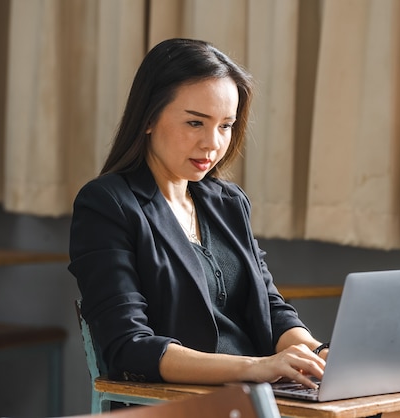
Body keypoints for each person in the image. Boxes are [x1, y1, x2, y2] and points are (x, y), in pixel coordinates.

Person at [68, 38, 327, 389]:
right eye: (195, 123)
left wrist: (317, 352)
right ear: (147, 118)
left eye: (225, 125)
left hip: (262, 391)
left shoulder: (228, 202)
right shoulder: (106, 205)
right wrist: (256, 367)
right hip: (185, 401)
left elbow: (270, 308)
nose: (212, 143)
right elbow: (129, 347)